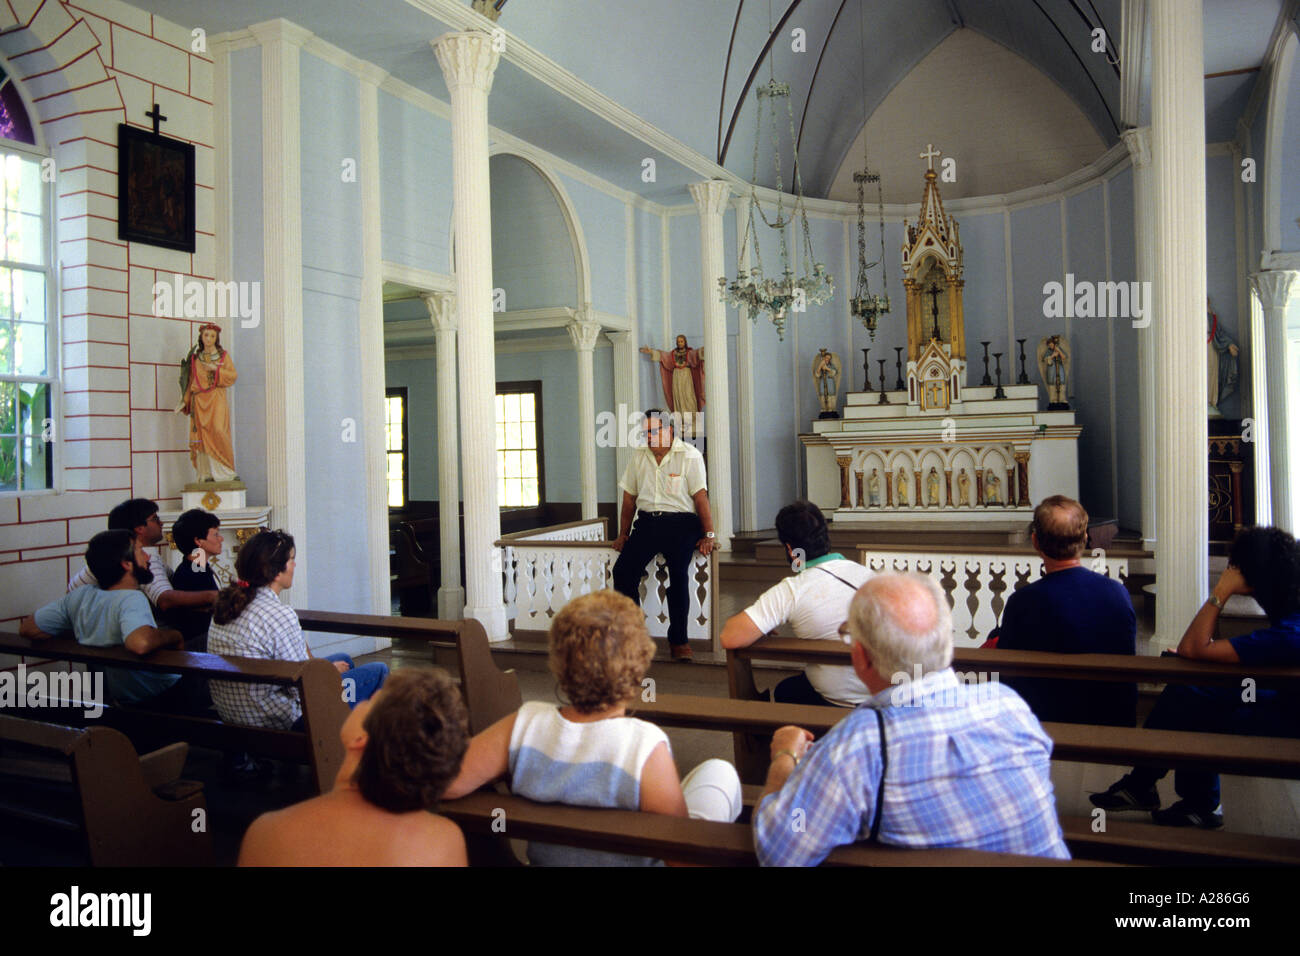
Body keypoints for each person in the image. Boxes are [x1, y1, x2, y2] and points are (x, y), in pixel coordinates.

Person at [752, 573, 1069, 865]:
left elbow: (779, 853)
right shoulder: (1009, 704)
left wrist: (784, 758)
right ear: (946, 640)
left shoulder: (860, 743)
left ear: (860, 657)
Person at [442, 590, 742, 865]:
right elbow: (681, 855)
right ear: (638, 666)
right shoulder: (643, 745)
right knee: (719, 772)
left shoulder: (526, 723)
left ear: (559, 662)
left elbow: (448, 781)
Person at [1091, 526, 1300, 828]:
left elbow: (1193, 646)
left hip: (1289, 718)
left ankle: (1172, 795)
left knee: (1194, 707)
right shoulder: (1290, 616)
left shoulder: (1290, 633)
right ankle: (1165, 793)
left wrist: (1220, 592)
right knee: (1191, 692)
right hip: (1284, 697)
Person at [238, 669, 470, 866]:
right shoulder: (444, 840)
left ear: (361, 738)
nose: (362, 702)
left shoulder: (270, 832)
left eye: (370, 701)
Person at [206, 530, 388, 729]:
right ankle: (345, 749)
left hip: (235, 710)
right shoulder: (278, 614)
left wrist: (328, 671)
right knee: (378, 671)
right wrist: (329, 673)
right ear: (276, 571)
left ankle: (338, 734)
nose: (294, 565)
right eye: (291, 559)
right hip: (278, 719)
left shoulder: (226, 605)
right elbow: (303, 688)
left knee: (344, 657)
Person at [20, 530, 207, 713]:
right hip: (164, 695)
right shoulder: (131, 598)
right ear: (126, 563)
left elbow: (29, 628)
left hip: (116, 694)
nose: (147, 558)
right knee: (211, 640)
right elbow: (140, 643)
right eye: (141, 551)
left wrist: (85, 630)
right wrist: (173, 636)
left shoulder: (79, 596)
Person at [988, 495, 1136, 726]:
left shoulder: (1024, 601)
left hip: (1045, 717)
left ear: (1036, 542)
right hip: (1111, 715)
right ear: (1085, 538)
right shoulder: (1117, 593)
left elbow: (1006, 669)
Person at [720, 500, 871, 707]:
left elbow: (729, 637)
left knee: (785, 692)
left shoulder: (793, 589)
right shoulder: (869, 575)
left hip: (835, 699)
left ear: (791, 550)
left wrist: (761, 625)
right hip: (882, 693)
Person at [611, 409, 714, 661]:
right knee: (622, 572)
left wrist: (709, 533)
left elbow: (700, 497)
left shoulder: (689, 456)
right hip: (647, 523)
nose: (648, 437)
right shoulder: (639, 457)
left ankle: (679, 642)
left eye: (653, 431)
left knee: (678, 575)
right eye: (645, 432)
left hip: (682, 523)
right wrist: (622, 534)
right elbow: (628, 500)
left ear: (669, 431)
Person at [67, 497, 217, 616]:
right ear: (139, 528)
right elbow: (165, 600)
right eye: (155, 519)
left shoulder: (114, 550)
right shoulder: (137, 558)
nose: (161, 523)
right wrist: (216, 596)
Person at [179, 322, 238, 483]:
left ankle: (226, 472)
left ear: (216, 338)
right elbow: (191, 381)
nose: (209, 338)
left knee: (219, 430)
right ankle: (206, 474)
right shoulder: (195, 359)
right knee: (203, 437)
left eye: (212, 336)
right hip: (199, 400)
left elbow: (232, 376)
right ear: (201, 337)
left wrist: (214, 368)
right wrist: (185, 401)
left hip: (216, 397)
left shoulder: (223, 356)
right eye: (206, 335)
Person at [168, 509, 224, 651]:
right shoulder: (191, 574)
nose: (221, 539)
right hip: (198, 647)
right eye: (216, 534)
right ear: (198, 541)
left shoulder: (197, 568)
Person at [640, 335, 704, 435]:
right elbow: (663, 355)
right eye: (678, 341)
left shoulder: (689, 353)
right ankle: (681, 426)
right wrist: (651, 352)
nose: (680, 343)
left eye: (681, 341)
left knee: (689, 398)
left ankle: (692, 424)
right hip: (676, 378)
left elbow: (697, 355)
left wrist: (704, 350)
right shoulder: (673, 354)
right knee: (678, 399)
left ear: (685, 342)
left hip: (687, 378)